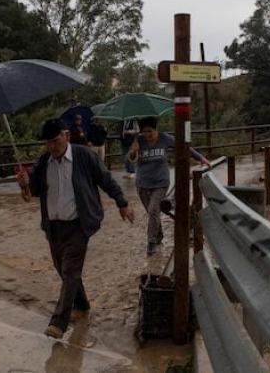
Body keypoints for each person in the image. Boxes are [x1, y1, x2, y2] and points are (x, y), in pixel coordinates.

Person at [16, 118, 135, 339]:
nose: (51, 146)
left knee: (70, 271)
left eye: (55, 140)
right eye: (47, 142)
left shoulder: (84, 156)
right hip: (53, 226)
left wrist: (123, 203)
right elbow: (34, 192)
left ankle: (59, 322)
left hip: (79, 224)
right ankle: (82, 305)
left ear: (67, 136)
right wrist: (24, 182)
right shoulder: (44, 162)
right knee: (63, 270)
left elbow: (106, 180)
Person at [128, 117, 211, 255]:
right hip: (142, 183)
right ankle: (158, 233)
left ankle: (151, 241)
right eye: (144, 132)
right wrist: (134, 151)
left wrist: (200, 158)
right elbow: (130, 160)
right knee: (151, 212)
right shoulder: (139, 141)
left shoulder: (165, 139)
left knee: (154, 209)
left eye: (150, 131)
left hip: (161, 182)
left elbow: (184, 147)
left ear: (156, 129)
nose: (147, 135)